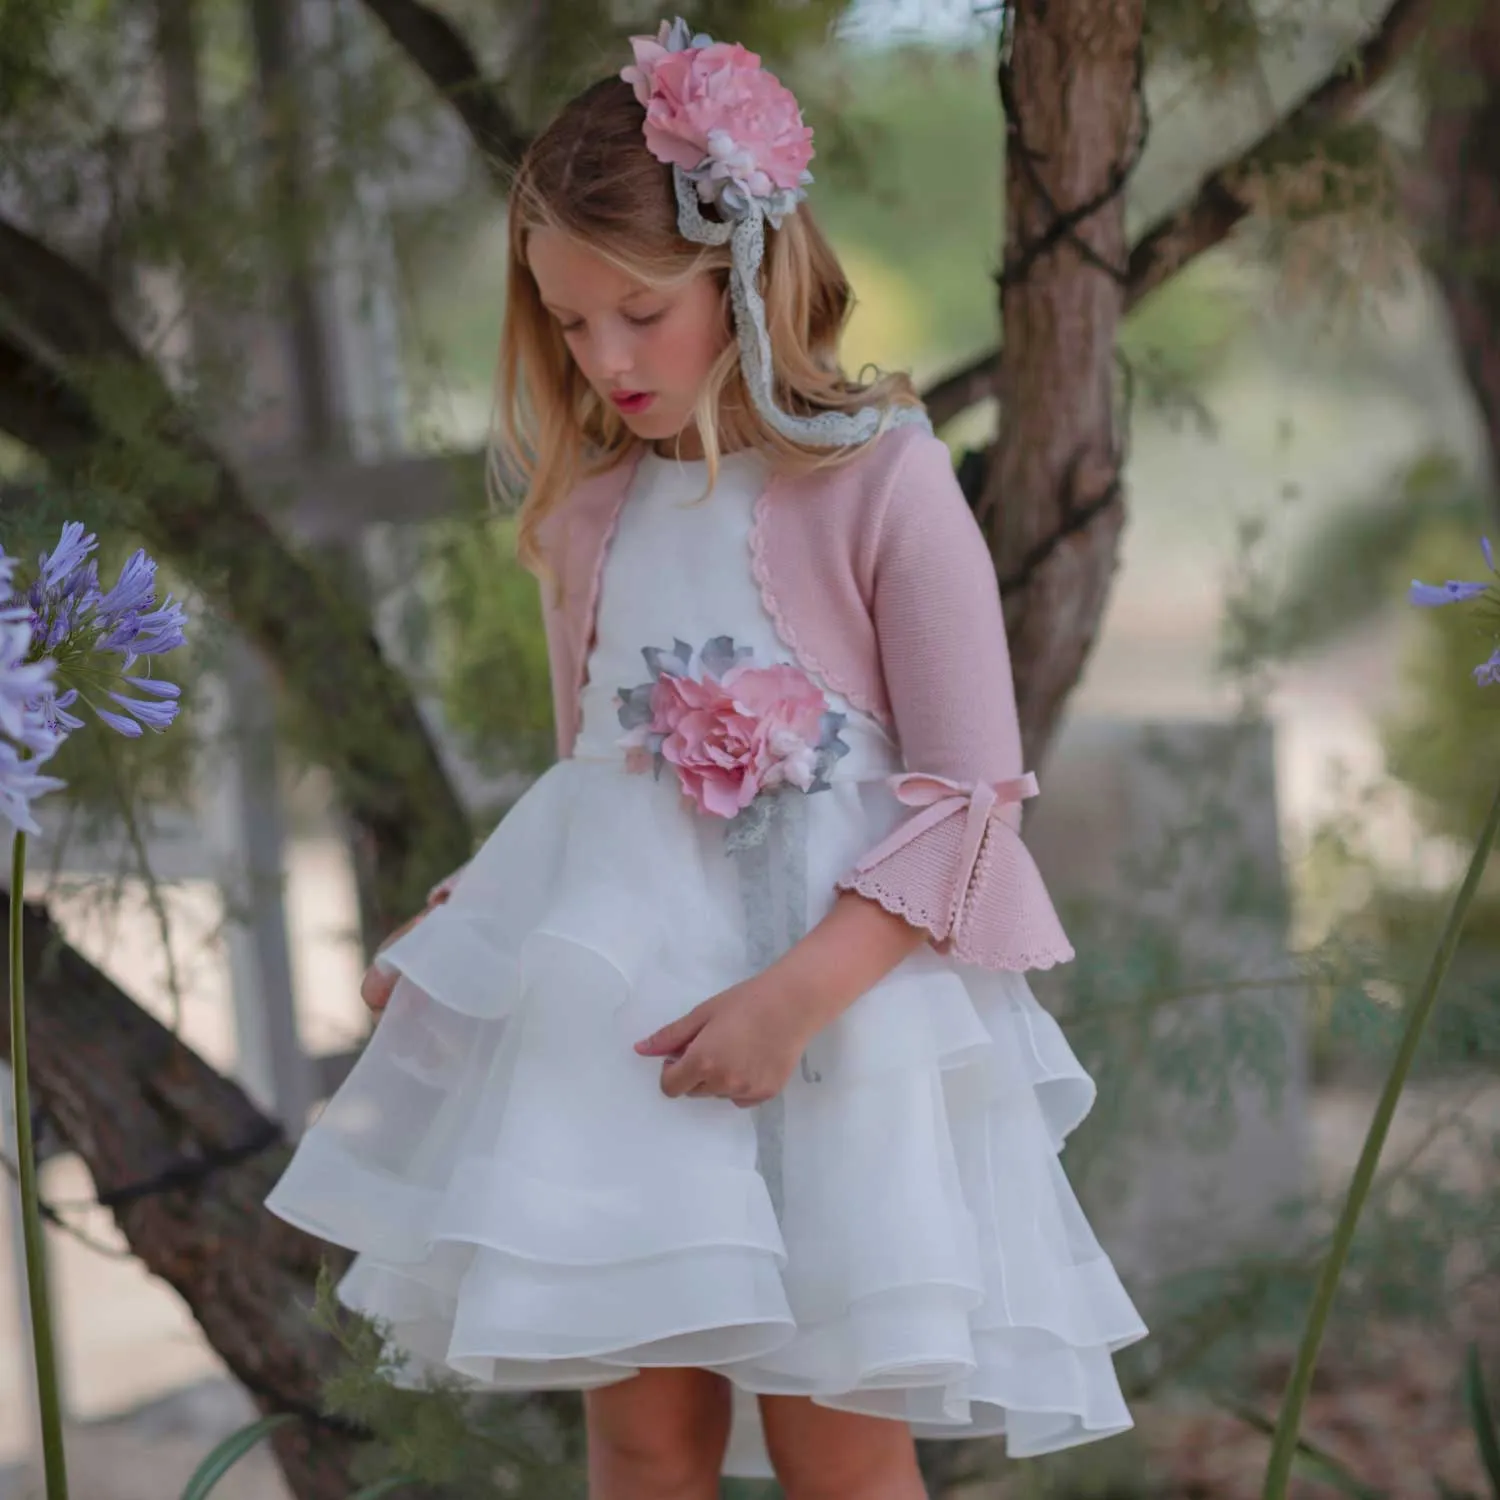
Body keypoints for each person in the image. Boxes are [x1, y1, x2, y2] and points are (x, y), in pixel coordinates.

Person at [266, 18, 1146, 1498]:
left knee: (834, 1428)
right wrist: (464, 922)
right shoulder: (584, 518)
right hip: (624, 1043)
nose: (601, 357)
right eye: (564, 322)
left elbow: (971, 807)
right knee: (642, 1430)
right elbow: (588, 785)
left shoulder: (880, 479)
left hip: (831, 1024)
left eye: (636, 313)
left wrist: (792, 1004)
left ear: (741, 265)